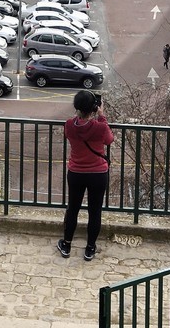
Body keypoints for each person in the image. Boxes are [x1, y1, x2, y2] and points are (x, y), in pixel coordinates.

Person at [57, 88, 113, 262]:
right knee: (94, 211)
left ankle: (66, 244)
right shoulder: (100, 127)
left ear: (76, 107)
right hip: (98, 173)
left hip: (76, 172)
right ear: (94, 108)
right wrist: (102, 116)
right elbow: (109, 140)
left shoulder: (69, 125)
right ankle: (90, 248)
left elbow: (70, 133)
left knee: (73, 208)